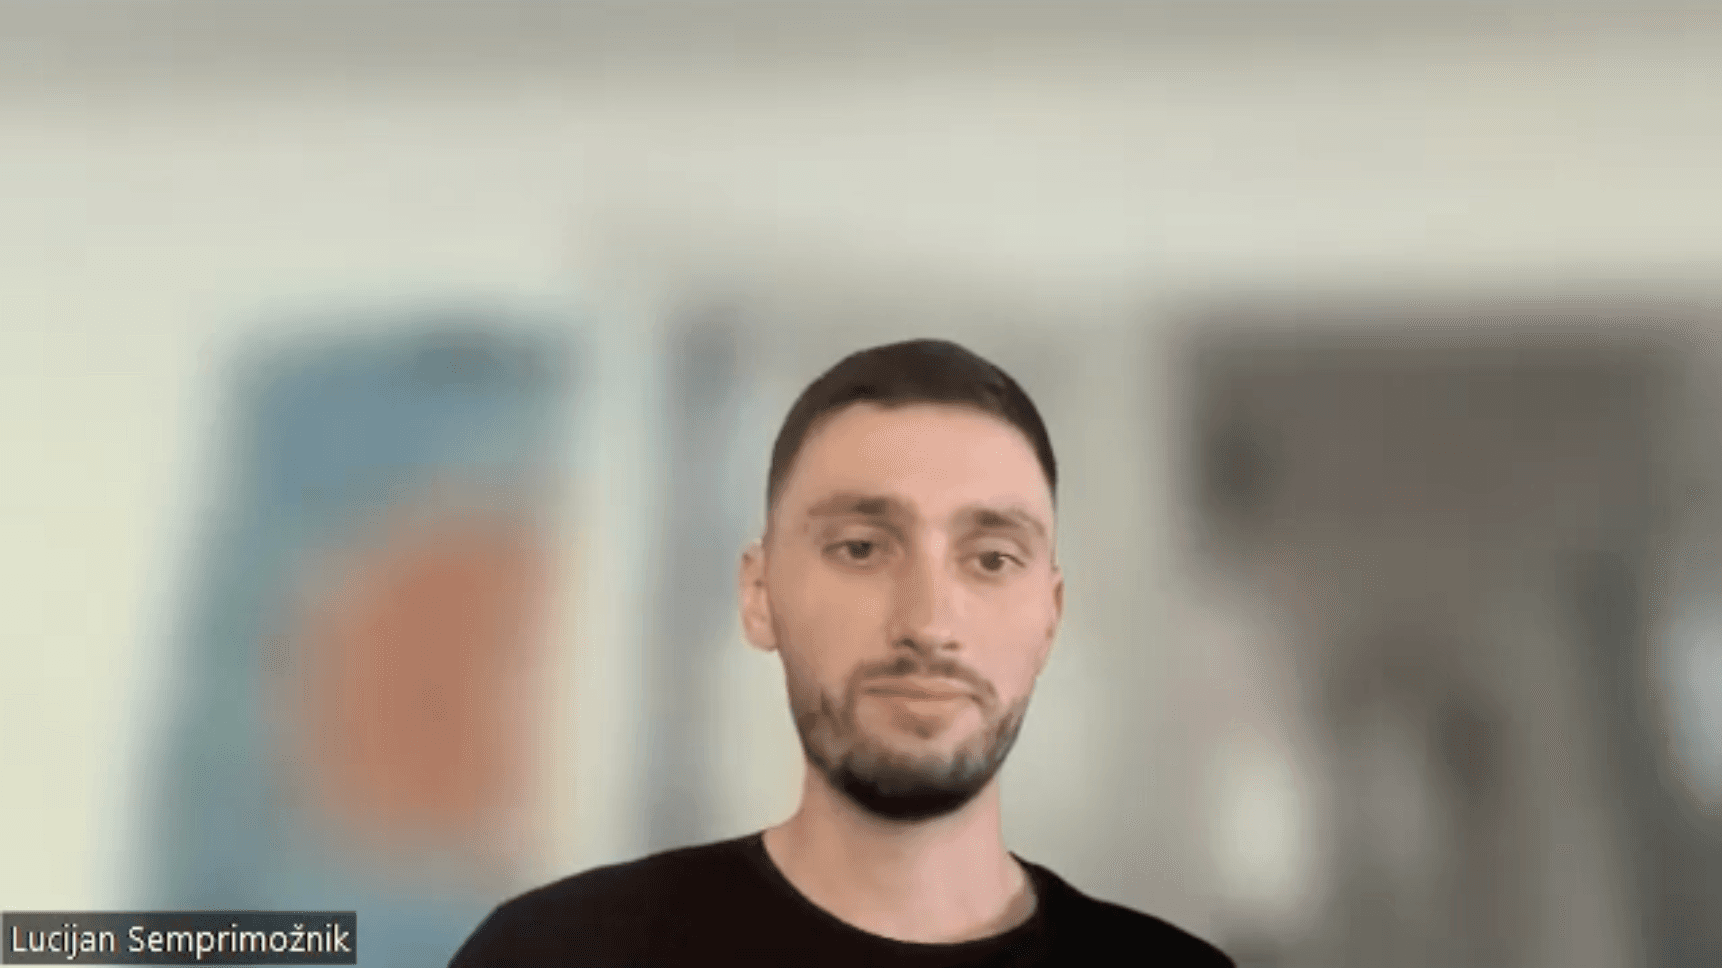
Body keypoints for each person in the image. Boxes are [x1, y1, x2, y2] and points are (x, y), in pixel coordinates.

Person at [449, 338, 1234, 967]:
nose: (928, 623)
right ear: (760, 596)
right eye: (862, 548)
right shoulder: (553, 955)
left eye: (991, 558)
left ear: (1049, 619)